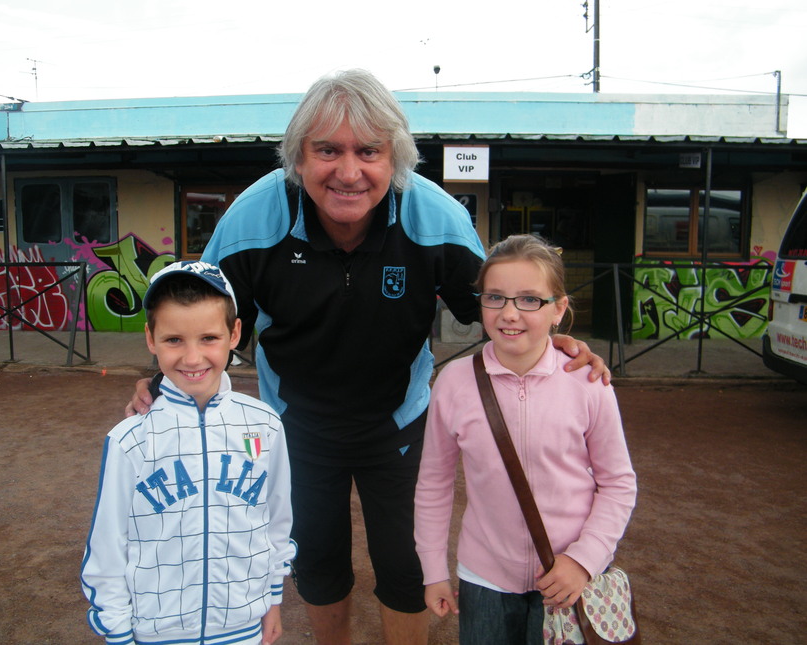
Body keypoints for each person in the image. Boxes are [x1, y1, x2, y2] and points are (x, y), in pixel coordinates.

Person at [128, 69, 610, 645]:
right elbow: (196, 321)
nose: (349, 171)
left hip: (398, 425)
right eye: (327, 150)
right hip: (296, 426)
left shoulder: (434, 218)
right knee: (318, 564)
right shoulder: (252, 220)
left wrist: (546, 340)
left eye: (370, 152)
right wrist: (161, 382)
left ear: (396, 160)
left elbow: (498, 305)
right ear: (298, 159)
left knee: (405, 568)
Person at [413, 234, 637, 644]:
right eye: (495, 297)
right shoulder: (454, 382)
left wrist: (584, 560)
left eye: (530, 299)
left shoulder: (588, 382)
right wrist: (433, 571)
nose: (510, 313)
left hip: (569, 576)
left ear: (559, 309)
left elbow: (618, 483)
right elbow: (433, 483)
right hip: (485, 579)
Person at [82, 260, 296, 645]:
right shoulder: (130, 439)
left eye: (209, 338)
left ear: (235, 334)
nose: (193, 358)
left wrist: (273, 599)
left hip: (243, 628)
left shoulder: (265, 425)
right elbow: (107, 547)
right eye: (174, 340)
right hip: (154, 632)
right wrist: (118, 632)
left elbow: (276, 520)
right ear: (151, 339)